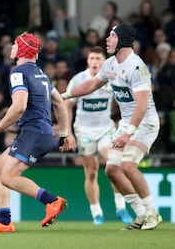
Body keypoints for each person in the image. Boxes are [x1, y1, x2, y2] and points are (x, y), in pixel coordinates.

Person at [62, 24, 163, 230]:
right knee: (111, 171)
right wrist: (65, 95)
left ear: (123, 40)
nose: (107, 39)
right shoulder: (110, 64)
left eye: (112, 36)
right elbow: (91, 85)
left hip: (145, 123)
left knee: (127, 166)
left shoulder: (137, 67)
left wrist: (127, 134)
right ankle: (141, 214)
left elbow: (142, 106)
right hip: (127, 123)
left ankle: (152, 214)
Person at [0, 32, 75, 233]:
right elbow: (59, 102)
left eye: (14, 44)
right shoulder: (41, 74)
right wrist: (64, 134)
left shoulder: (18, 71)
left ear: (22, 49)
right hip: (42, 133)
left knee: (7, 176)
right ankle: (4, 221)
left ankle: (51, 201)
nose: (11, 47)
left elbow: (19, 106)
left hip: (34, 132)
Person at [65, 46, 134, 225]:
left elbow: (126, 100)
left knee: (113, 164)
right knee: (91, 171)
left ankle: (120, 208)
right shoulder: (78, 79)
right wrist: (68, 133)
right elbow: (67, 105)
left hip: (106, 129)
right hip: (84, 130)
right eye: (91, 59)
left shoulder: (112, 78)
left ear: (104, 61)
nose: (94, 62)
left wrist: (126, 123)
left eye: (98, 59)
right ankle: (96, 213)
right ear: (87, 61)